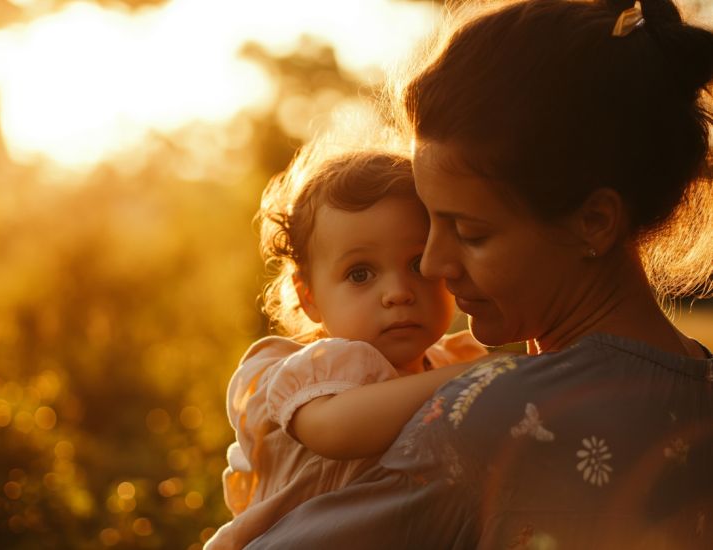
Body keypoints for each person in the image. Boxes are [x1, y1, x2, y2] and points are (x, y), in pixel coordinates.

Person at [246, 0, 713, 548]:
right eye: (430, 226)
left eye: (469, 232)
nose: (436, 266)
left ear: (594, 221)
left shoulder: (494, 413)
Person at [206, 148, 487, 549]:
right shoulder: (311, 370)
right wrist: (476, 376)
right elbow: (333, 429)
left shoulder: (448, 360)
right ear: (310, 298)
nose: (397, 292)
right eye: (360, 274)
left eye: (416, 262)